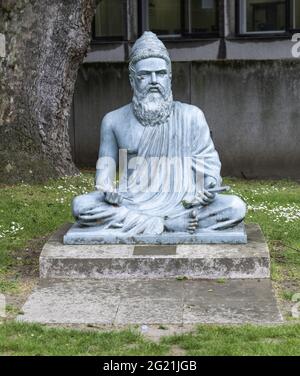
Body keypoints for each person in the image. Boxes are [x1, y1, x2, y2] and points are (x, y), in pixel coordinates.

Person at [72, 32, 246, 235]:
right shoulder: (113, 121)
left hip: (184, 204)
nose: (154, 81)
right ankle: (166, 225)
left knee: (235, 207)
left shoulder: (191, 116)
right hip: (133, 205)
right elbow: (104, 177)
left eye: (161, 73)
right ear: (132, 79)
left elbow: (208, 167)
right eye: (145, 75)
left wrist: (207, 188)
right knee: (81, 206)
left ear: (169, 77)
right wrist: (108, 191)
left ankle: (159, 223)